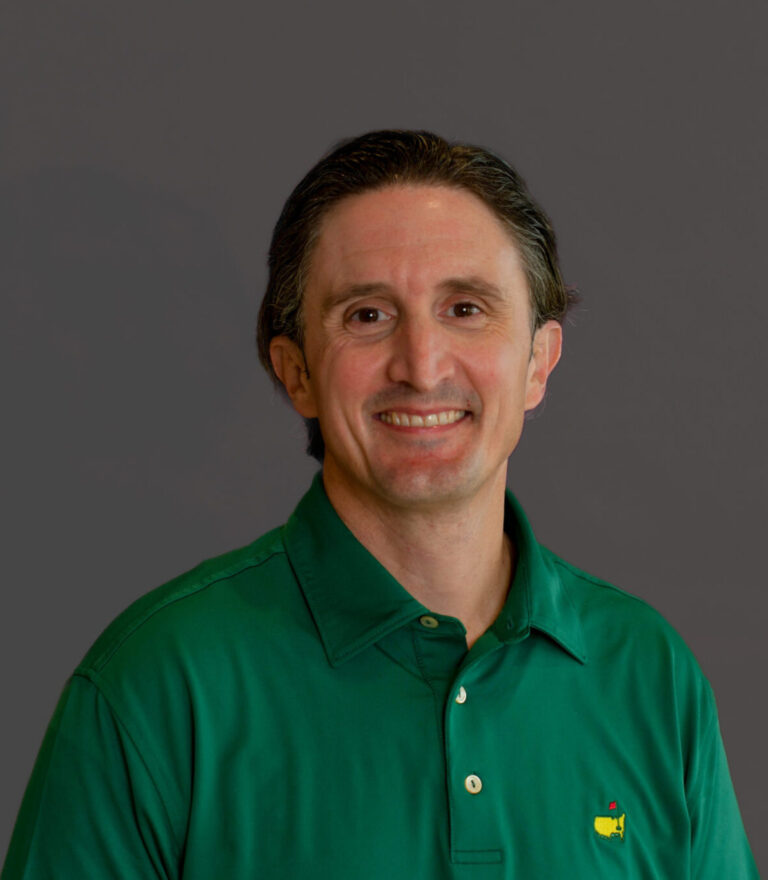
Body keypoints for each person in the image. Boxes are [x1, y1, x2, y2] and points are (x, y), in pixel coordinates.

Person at [2, 130, 759, 879]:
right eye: (367, 315)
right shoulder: (156, 684)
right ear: (296, 372)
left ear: (538, 362)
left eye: (466, 308)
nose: (422, 368)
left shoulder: (651, 676)